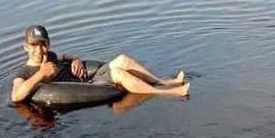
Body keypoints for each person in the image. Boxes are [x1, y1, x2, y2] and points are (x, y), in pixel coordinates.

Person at [10, 25, 189, 103]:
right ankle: (166, 93)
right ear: (26, 47)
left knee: (122, 59)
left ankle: (164, 82)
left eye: (43, 44)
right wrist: (41, 74)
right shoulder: (24, 73)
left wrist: (76, 59)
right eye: (34, 45)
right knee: (118, 73)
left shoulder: (52, 55)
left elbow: (66, 55)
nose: (40, 50)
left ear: (48, 44)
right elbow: (16, 95)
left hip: (88, 80)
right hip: (90, 88)